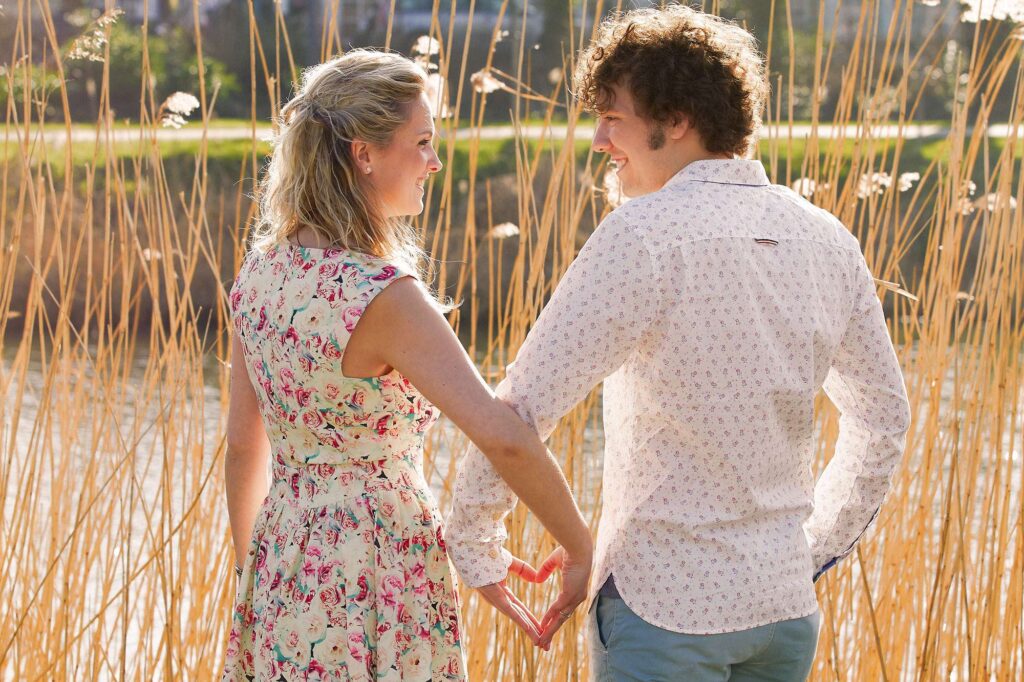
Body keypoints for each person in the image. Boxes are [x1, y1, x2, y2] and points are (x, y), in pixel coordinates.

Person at [445, 4, 912, 680]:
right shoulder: (826, 238)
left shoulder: (644, 236)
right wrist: (813, 548)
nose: (600, 138)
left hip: (663, 612)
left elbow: (520, 408)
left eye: (614, 117)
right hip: (781, 612)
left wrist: (475, 541)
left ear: (677, 121)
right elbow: (884, 418)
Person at [221, 49, 592, 680]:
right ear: (364, 154)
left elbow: (240, 445)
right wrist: (581, 545)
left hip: (284, 552)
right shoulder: (383, 294)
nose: (434, 161)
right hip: (377, 559)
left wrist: (255, 568)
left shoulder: (261, 272)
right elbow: (503, 438)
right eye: (421, 143)